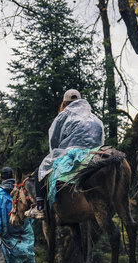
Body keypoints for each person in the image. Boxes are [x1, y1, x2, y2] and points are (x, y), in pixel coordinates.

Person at [26, 89, 105, 219]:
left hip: (71, 152)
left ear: (64, 104)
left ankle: (40, 207)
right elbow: (101, 135)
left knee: (40, 171)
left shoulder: (63, 116)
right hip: (94, 152)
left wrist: (55, 154)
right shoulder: (93, 117)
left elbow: (54, 140)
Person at [0, 166, 35, 263]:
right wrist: (29, 223)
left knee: (8, 251)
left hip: (7, 226)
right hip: (23, 224)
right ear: (12, 176)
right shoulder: (21, 188)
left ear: (1, 177)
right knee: (25, 247)